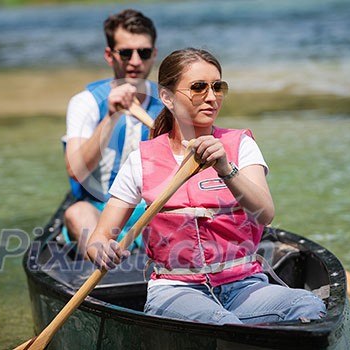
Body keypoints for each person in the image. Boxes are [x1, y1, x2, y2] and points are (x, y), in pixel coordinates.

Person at [87, 48, 326, 325]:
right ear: (167, 97)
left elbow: (265, 213)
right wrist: (102, 250)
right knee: (222, 324)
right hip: (175, 290)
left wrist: (225, 168)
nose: (212, 97)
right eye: (199, 88)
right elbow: (99, 238)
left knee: (308, 306)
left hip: (245, 285)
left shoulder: (241, 145)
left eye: (217, 87)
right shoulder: (141, 160)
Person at [63, 9, 163, 258]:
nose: (136, 61)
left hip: (155, 213)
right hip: (100, 211)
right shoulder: (85, 103)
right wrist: (111, 116)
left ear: (154, 55)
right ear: (110, 55)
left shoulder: (169, 102)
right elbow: (76, 170)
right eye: (126, 53)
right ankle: (105, 262)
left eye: (144, 52)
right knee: (75, 213)